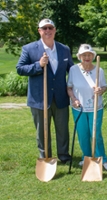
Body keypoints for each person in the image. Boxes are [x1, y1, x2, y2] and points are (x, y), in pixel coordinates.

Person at [16, 19, 73, 163]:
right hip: (39, 98)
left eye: (50, 27)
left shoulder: (64, 49)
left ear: (55, 30)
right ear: (39, 30)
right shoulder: (29, 48)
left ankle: (64, 155)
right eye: (44, 28)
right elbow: (20, 69)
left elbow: (72, 70)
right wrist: (38, 65)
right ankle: (45, 156)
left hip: (60, 97)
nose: (48, 30)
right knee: (42, 130)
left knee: (62, 129)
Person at [67, 44, 107, 170]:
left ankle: (102, 158)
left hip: (95, 108)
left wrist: (100, 90)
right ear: (79, 57)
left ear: (93, 56)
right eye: (84, 55)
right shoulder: (73, 70)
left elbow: (104, 87)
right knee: (83, 134)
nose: (87, 57)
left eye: (89, 55)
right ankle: (86, 157)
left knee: (95, 133)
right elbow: (69, 87)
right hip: (78, 108)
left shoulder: (99, 70)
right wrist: (74, 99)